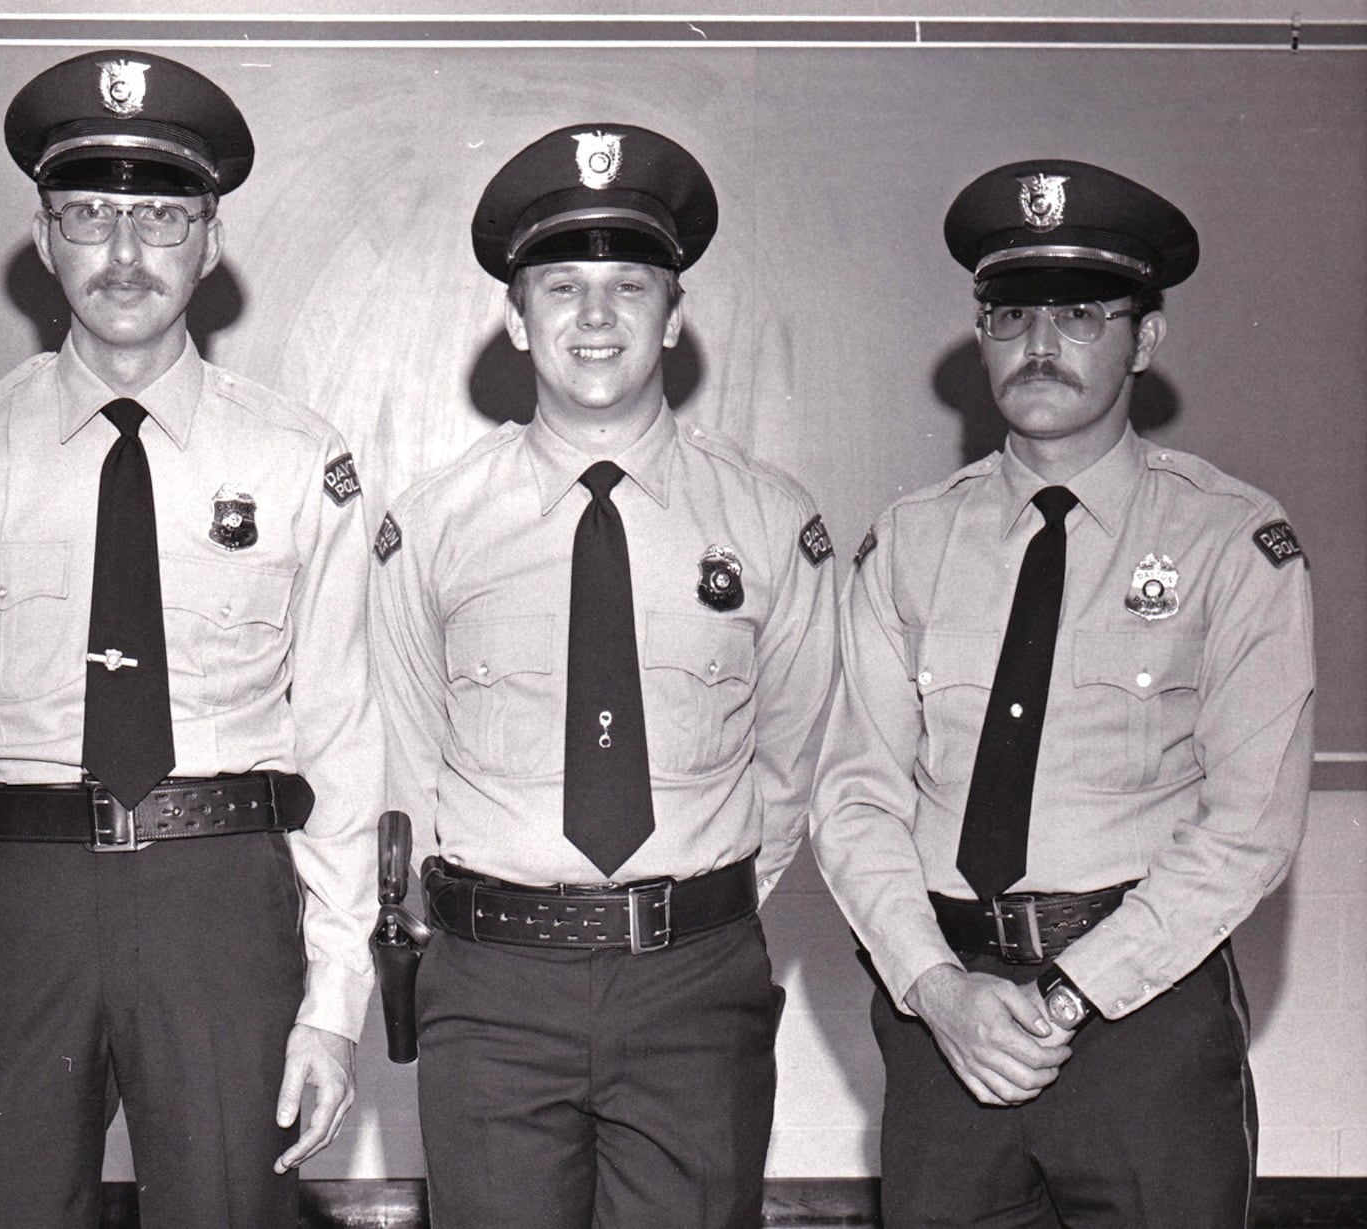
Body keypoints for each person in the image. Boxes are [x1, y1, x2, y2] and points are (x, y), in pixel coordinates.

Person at [0, 48, 382, 1229]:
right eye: (90, 213)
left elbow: (340, 737)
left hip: (220, 903)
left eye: (161, 217)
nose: (125, 253)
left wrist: (335, 996)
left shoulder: (298, 462)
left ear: (211, 242)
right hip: (14, 904)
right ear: (42, 235)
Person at [812, 158, 1315, 1227]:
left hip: (1142, 1018)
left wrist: (1068, 990)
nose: (1038, 346)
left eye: (1081, 314)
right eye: (1009, 314)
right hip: (947, 1021)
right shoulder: (906, 542)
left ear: (1144, 340)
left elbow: (1248, 827)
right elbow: (855, 798)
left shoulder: (1232, 541)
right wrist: (938, 990)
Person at [369, 123, 839, 1228]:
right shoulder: (428, 526)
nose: (593, 317)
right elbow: (407, 755)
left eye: (628, 285)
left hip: (694, 976)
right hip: (492, 981)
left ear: (675, 316)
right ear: (513, 313)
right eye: (560, 285)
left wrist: (685, 907)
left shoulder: (773, 522)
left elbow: (797, 755)